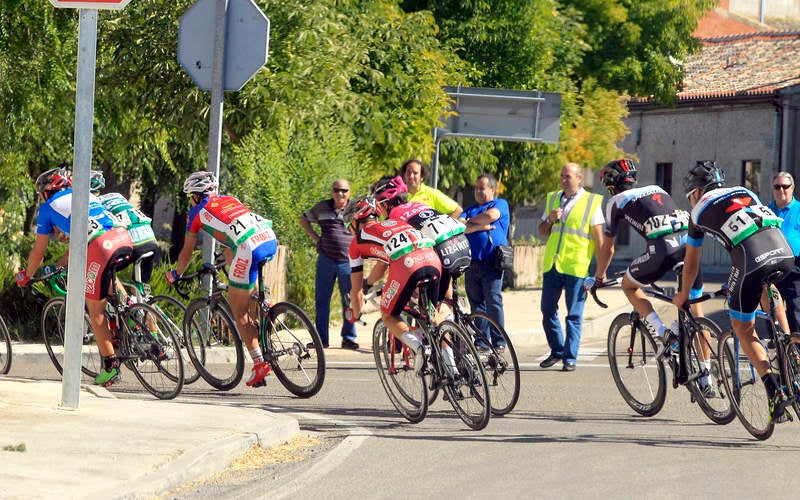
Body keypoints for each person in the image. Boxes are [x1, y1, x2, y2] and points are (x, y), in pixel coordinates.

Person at [674, 161, 794, 422]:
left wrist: (684, 294)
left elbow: (691, 263)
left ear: (696, 193)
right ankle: (789, 349)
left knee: (742, 327)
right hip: (784, 253)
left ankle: (774, 392)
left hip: (752, 261)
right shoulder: (744, 191)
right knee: (768, 287)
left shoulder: (698, 212)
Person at [591, 159, 714, 394]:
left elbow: (608, 249)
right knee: (696, 313)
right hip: (689, 248)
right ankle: (707, 377)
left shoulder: (615, 201)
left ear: (610, 185)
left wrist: (599, 277)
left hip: (662, 251)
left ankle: (663, 333)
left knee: (629, 286)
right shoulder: (658, 189)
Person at [15, 167, 134, 386]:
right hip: (123, 237)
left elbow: (38, 252)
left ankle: (111, 366)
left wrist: (27, 276)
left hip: (101, 246)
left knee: (95, 308)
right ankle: (138, 321)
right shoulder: (84, 194)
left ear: (46, 192)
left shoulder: (47, 208)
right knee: (111, 284)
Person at [166, 171, 279, 388]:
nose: (190, 200)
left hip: (248, 248)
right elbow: (231, 238)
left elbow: (187, 252)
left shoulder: (196, 213)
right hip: (268, 237)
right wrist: (227, 259)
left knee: (240, 313)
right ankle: (266, 306)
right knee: (246, 284)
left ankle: (259, 364)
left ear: (197, 196)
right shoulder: (230, 199)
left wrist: (176, 273)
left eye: (191, 196)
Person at [344, 196, 444, 374]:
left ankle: (418, 345)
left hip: (408, 265)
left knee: (388, 314)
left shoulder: (356, 242)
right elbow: (383, 266)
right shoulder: (395, 223)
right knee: (432, 313)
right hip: (433, 259)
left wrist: (355, 313)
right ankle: (453, 366)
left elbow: (356, 290)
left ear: (354, 221)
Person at [537, 162, 604, 371]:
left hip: (576, 266)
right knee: (547, 310)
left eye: (568, 176)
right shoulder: (553, 199)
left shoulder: (591, 202)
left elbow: (600, 240)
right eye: (562, 176)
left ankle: (570, 357)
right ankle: (557, 351)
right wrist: (549, 219)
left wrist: (599, 271)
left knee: (574, 314)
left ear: (579, 178)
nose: (564, 180)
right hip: (552, 265)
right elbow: (542, 231)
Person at [372, 174, 471, 313]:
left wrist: (367, 283)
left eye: (379, 205)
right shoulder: (418, 204)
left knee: (428, 313)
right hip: (461, 245)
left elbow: (386, 260)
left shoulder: (393, 218)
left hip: (442, 253)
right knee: (439, 293)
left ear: (385, 204)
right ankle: (461, 317)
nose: (379, 211)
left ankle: (442, 331)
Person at [299, 179, 357, 349]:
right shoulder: (322, 207)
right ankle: (321, 339)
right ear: (332, 192)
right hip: (326, 259)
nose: (340, 193)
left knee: (349, 300)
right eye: (337, 190)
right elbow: (303, 219)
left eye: (344, 190)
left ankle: (348, 337)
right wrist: (316, 238)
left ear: (349, 192)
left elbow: (366, 227)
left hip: (347, 261)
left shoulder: (354, 209)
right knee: (322, 300)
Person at [460, 173, 510, 350]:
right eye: (477, 188)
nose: (479, 192)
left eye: (482, 188)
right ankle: (482, 342)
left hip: (491, 262)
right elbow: (459, 226)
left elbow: (490, 215)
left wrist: (471, 223)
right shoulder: (470, 208)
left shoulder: (500, 204)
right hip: (471, 262)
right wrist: (480, 226)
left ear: (492, 190)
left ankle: (499, 342)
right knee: (476, 304)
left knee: (493, 302)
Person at [90, 170, 160, 296]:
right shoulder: (117, 196)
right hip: (150, 239)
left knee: (106, 271)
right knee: (143, 294)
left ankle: (125, 303)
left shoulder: (93, 205)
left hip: (133, 242)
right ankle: (146, 312)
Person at [768, 171, 800, 333]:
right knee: (772, 309)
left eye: (785, 186)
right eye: (777, 186)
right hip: (772, 268)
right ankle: (779, 348)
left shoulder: (799, 209)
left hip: (795, 268)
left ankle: (797, 352)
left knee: (796, 310)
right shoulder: (765, 211)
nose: (781, 190)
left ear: (792, 188)